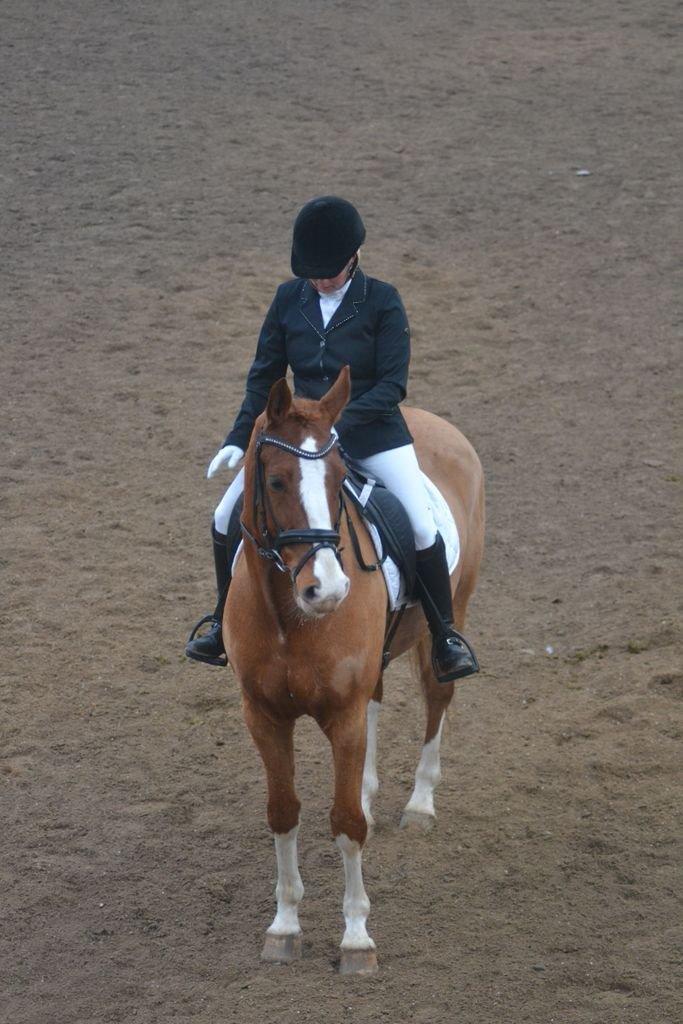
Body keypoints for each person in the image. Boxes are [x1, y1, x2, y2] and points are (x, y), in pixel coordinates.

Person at [185, 196, 478, 683]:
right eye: (314, 273)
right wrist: (239, 438)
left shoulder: (382, 300)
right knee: (223, 515)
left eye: (331, 272)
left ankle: (445, 637)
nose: (321, 280)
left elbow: (391, 385)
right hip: (298, 438)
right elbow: (264, 377)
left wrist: (336, 423)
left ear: (354, 257)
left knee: (424, 525)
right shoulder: (288, 299)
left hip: (371, 431)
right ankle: (219, 623)